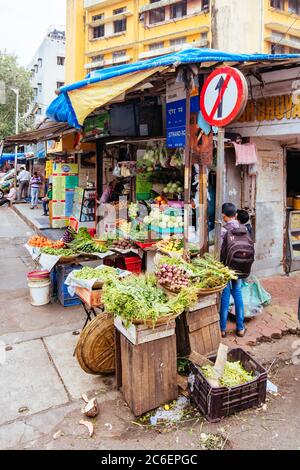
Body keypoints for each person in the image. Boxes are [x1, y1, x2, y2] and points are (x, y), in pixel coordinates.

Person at [219, 203, 246, 339]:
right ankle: (240, 328)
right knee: (237, 293)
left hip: (226, 267)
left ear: (224, 215)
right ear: (235, 215)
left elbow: (220, 250)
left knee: (225, 293)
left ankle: (222, 329)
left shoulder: (224, 230)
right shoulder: (243, 228)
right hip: (240, 266)